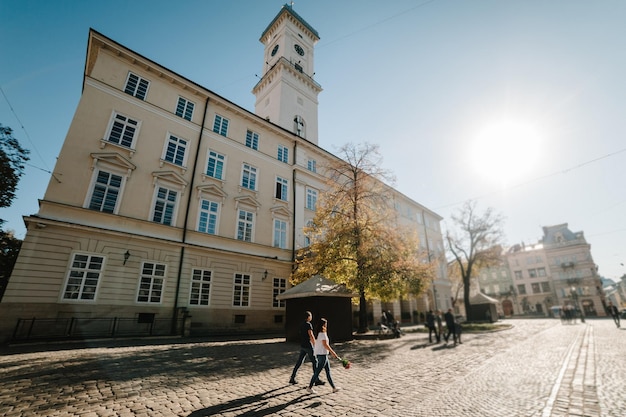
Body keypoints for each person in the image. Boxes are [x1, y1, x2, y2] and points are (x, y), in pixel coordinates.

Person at [289, 311, 325, 386]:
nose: (311, 317)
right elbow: (311, 335)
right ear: (308, 317)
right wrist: (315, 344)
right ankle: (316, 379)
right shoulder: (309, 325)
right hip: (308, 346)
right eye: (310, 316)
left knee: (299, 362)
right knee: (315, 361)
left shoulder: (302, 324)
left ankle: (292, 377)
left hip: (303, 345)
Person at [307, 318, 341, 395]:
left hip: (322, 354)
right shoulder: (322, 334)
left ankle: (334, 388)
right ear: (323, 325)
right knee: (317, 372)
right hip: (322, 355)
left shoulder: (318, 333)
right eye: (325, 324)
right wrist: (333, 353)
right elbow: (325, 345)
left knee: (328, 372)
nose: (326, 325)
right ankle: (309, 387)